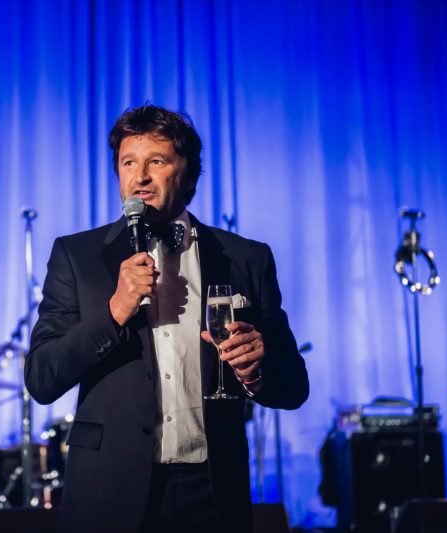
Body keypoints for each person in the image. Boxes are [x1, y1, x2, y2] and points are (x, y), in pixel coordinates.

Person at [24, 105, 309, 533]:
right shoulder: (76, 256)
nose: (139, 176)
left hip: (212, 492)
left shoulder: (247, 258)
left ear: (189, 175)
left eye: (155, 161)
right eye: (128, 163)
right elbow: (42, 379)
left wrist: (256, 370)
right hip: (108, 491)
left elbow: (294, 387)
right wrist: (114, 311)